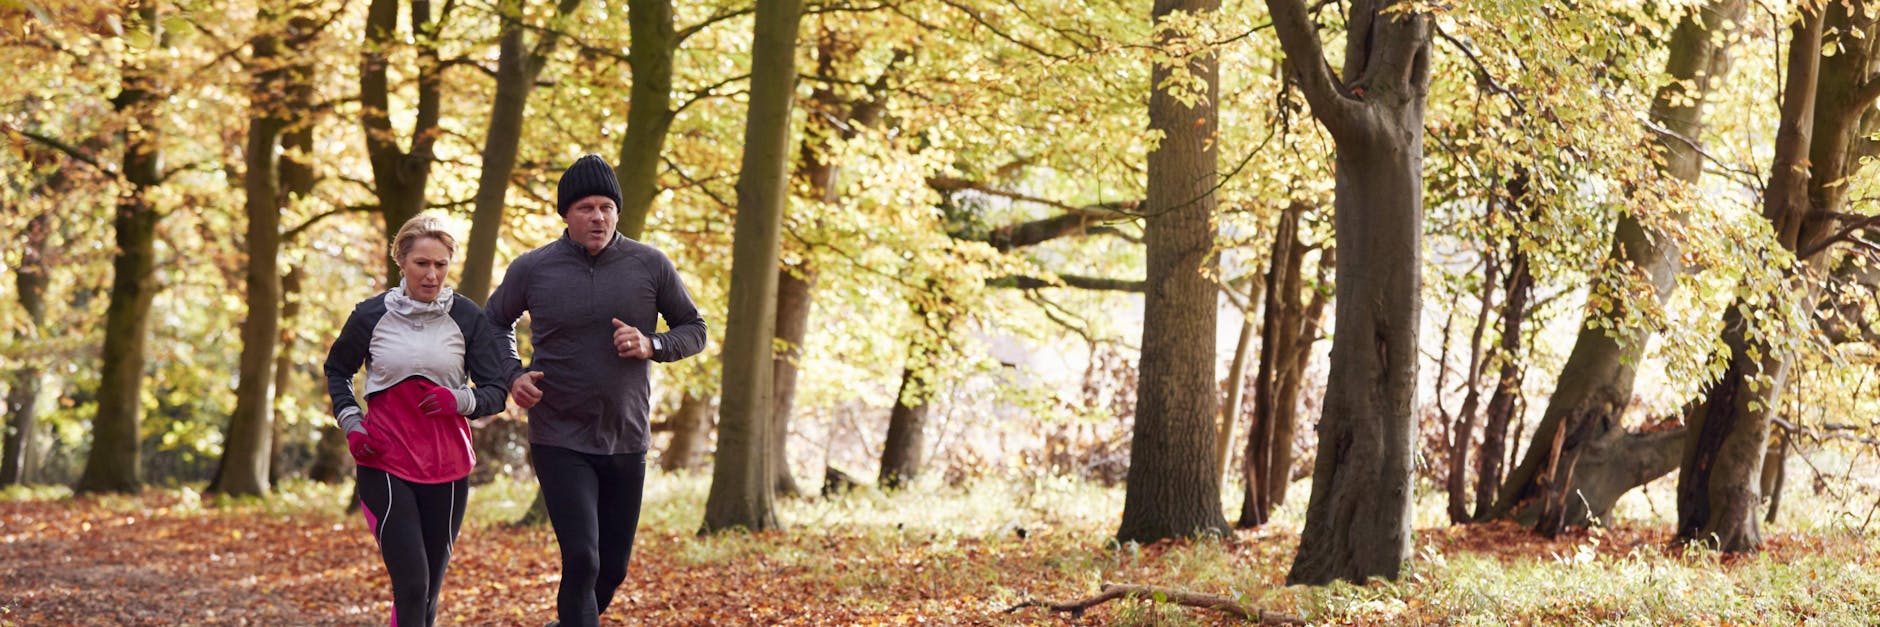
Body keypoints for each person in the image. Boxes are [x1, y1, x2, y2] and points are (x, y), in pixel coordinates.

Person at [486, 154, 708, 627]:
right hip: (558, 435)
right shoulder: (533, 268)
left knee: (612, 571)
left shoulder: (649, 264)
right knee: (583, 560)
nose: (598, 217)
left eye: (607, 206)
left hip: (626, 437)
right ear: (566, 214)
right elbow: (493, 323)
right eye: (586, 207)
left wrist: (653, 344)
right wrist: (512, 376)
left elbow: (695, 328)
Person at [324, 213, 512, 627]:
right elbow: (337, 371)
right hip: (384, 461)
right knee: (411, 585)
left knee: (428, 592)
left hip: (447, 468)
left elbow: (496, 391)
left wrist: (458, 400)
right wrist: (352, 424)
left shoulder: (466, 317)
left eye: (440, 265)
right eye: (421, 264)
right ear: (401, 262)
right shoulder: (370, 315)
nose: (431, 275)